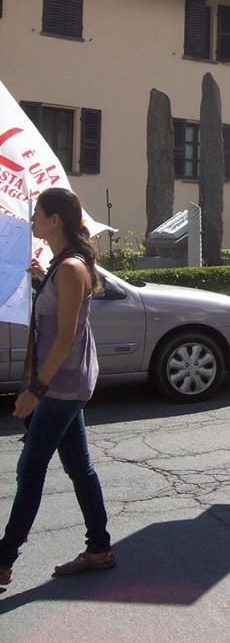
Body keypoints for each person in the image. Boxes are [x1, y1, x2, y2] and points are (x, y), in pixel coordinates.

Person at [0, 188, 115, 589]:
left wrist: (36, 388)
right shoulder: (62, 266)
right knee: (79, 468)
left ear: (55, 221)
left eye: (38, 215)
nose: (32, 220)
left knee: (30, 470)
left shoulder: (69, 269)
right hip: (69, 383)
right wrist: (40, 277)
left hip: (61, 386)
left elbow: (65, 337)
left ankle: (4, 557)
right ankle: (99, 547)